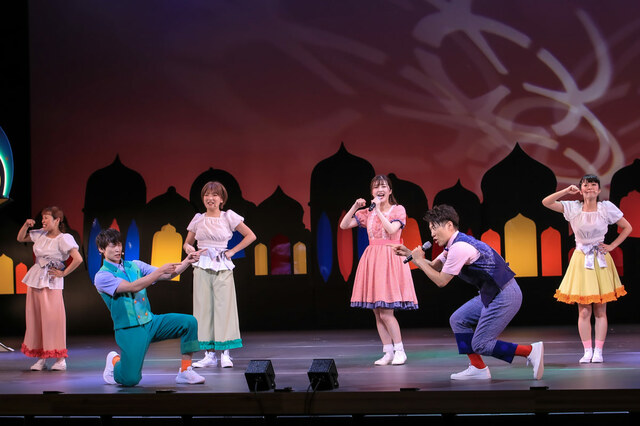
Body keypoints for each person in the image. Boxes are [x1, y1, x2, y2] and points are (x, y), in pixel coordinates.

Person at [393, 204, 544, 380]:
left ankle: (529, 351)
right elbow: (434, 266)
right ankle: (478, 367)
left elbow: (441, 280)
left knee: (481, 344)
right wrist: (410, 254)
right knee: (458, 319)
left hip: (505, 294)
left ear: (449, 225)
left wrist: (418, 261)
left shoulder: (459, 247)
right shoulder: (452, 245)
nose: (432, 234)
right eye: (430, 229)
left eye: (434, 228)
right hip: (492, 293)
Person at [94, 228, 205, 386]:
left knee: (189, 322)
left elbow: (168, 274)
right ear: (101, 249)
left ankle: (185, 371)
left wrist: (187, 261)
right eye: (112, 246)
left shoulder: (135, 265)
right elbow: (132, 287)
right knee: (130, 380)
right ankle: (115, 361)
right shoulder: (102, 276)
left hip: (151, 322)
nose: (118, 249)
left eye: (119, 244)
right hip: (130, 329)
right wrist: (159, 271)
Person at [542, 174, 632, 363]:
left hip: (600, 259)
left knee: (600, 310)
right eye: (586, 185)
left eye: (593, 184)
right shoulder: (573, 207)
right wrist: (566, 191)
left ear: (598, 189)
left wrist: (612, 246)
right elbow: (546, 202)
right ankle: (587, 351)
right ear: (581, 189)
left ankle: (598, 351)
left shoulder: (606, 208)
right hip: (581, 259)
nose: (590, 187)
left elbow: (627, 227)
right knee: (583, 311)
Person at [339, 174, 418, 366]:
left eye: (383, 186)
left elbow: (391, 230)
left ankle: (400, 351)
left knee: (387, 312)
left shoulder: (398, 209)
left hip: (390, 257)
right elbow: (344, 225)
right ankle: (387, 352)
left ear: (390, 190)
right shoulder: (367, 213)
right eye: (376, 187)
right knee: (377, 312)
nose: (379, 190)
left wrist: (377, 210)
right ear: (371, 191)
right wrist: (355, 207)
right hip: (373, 258)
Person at [184, 181, 256, 369]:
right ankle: (209, 354)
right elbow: (187, 243)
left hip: (222, 265)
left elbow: (251, 235)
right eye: (207, 195)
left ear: (222, 199)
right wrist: (189, 249)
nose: (210, 198)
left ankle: (225, 353)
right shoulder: (198, 219)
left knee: (224, 307)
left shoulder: (228, 216)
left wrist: (233, 251)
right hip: (202, 265)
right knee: (203, 308)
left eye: (215, 195)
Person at [17, 206, 83, 372]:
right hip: (35, 278)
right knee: (36, 318)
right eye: (42, 218)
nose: (43, 221)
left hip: (51, 281)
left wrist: (63, 273)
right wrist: (26, 225)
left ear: (57, 220)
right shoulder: (40, 234)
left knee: (53, 319)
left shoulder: (64, 238)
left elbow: (78, 259)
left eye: (46, 218)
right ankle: (42, 357)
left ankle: (60, 359)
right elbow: (20, 238)